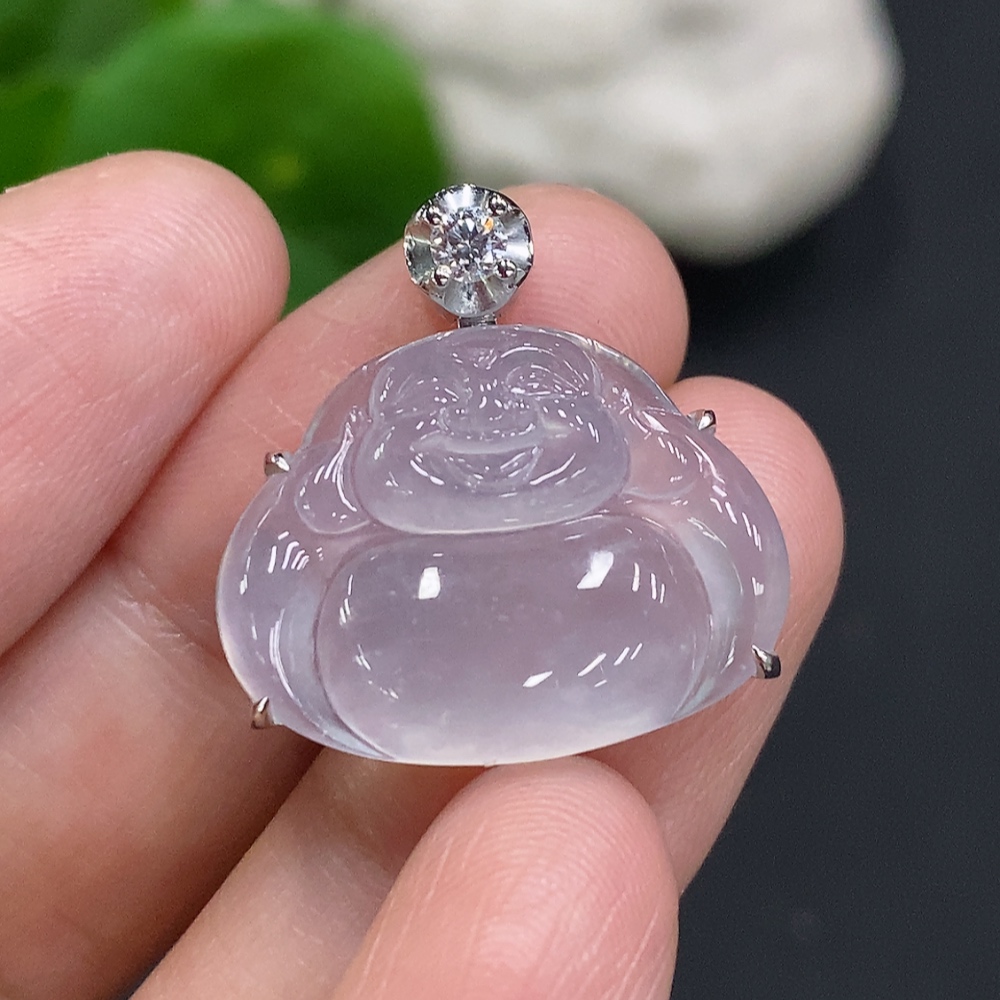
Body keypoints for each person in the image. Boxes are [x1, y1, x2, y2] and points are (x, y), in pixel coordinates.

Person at [0, 152, 843, 1000]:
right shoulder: (341, 530)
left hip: (623, 610)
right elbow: (294, 546)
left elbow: (700, 497)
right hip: (401, 631)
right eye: (431, 413)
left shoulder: (651, 500)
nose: (489, 421)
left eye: (534, 390)